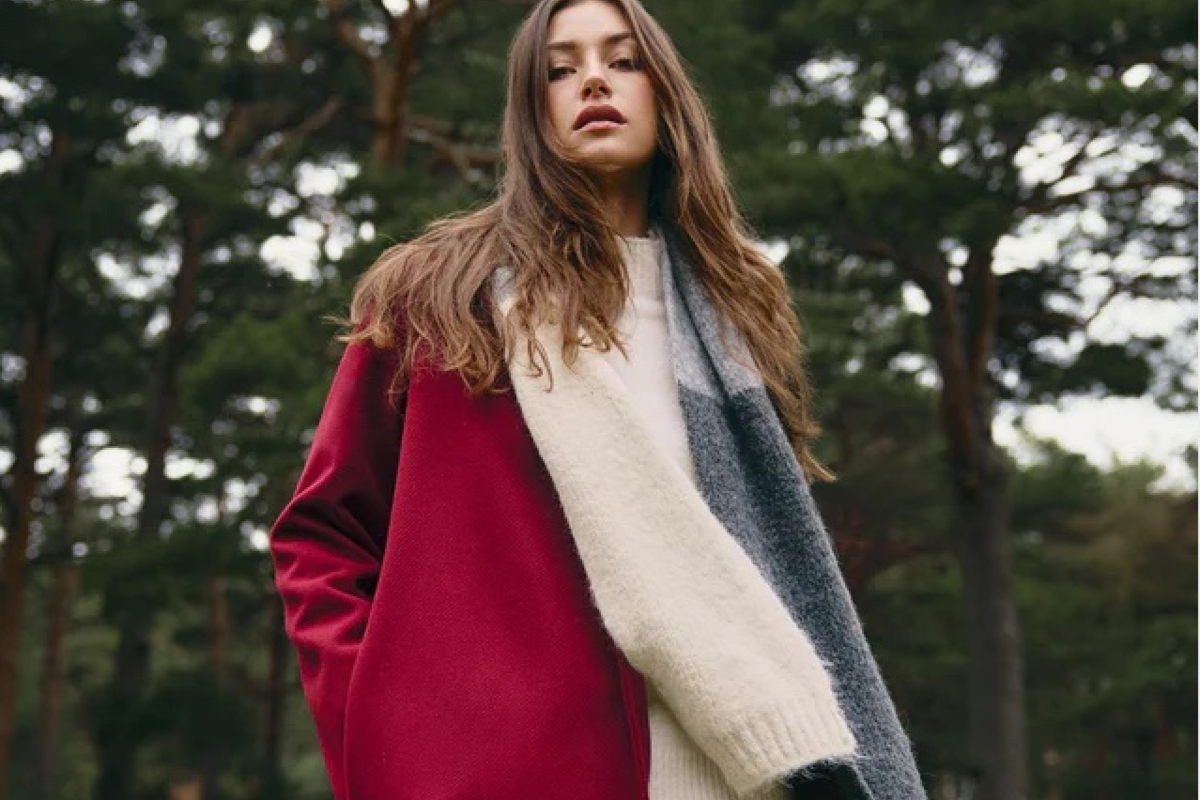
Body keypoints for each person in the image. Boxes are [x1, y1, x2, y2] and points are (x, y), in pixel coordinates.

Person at [269, 1, 926, 799]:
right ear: (532, 107)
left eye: (622, 61)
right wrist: (380, 739)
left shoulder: (735, 313)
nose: (593, 82)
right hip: (515, 777)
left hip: (746, 773)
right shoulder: (441, 295)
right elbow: (322, 537)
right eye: (560, 69)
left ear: (665, 92)